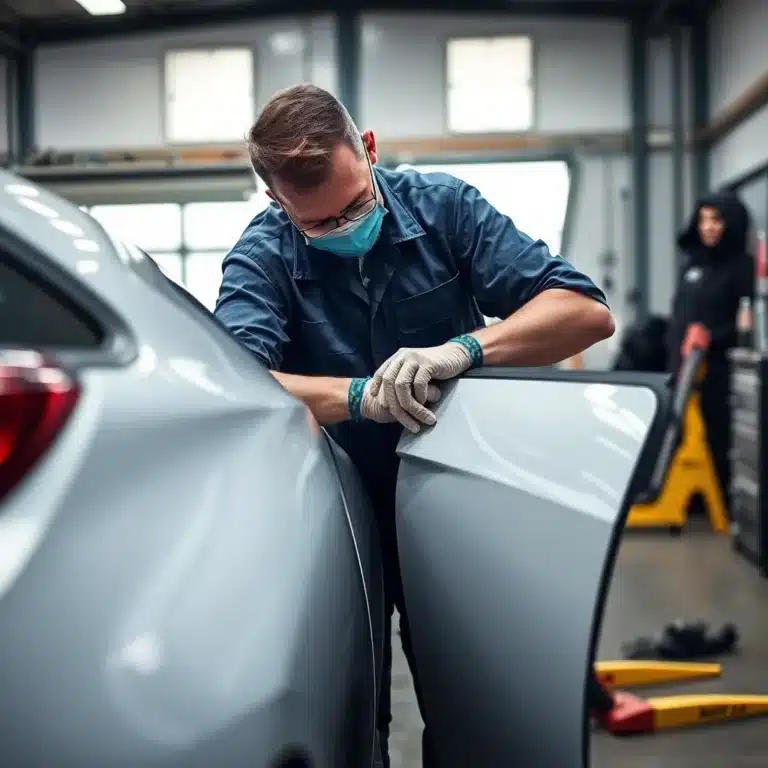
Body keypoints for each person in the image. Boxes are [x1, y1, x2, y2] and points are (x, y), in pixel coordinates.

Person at [214, 83, 614, 766]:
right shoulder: (265, 254)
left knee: (475, 705)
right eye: (319, 224)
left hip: (455, 497)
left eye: (357, 204)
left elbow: (583, 312)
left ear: (367, 148)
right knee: (346, 712)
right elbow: (238, 387)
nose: (343, 227)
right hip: (337, 516)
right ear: (277, 203)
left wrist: (467, 348)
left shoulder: (446, 209)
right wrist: (358, 395)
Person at [667, 191, 753, 511]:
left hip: (721, 374)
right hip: (683, 371)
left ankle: (733, 513)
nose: (709, 227)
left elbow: (747, 326)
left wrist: (712, 338)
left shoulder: (742, 269)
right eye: (703, 220)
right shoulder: (691, 266)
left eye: (716, 220)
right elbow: (679, 317)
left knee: (722, 441)